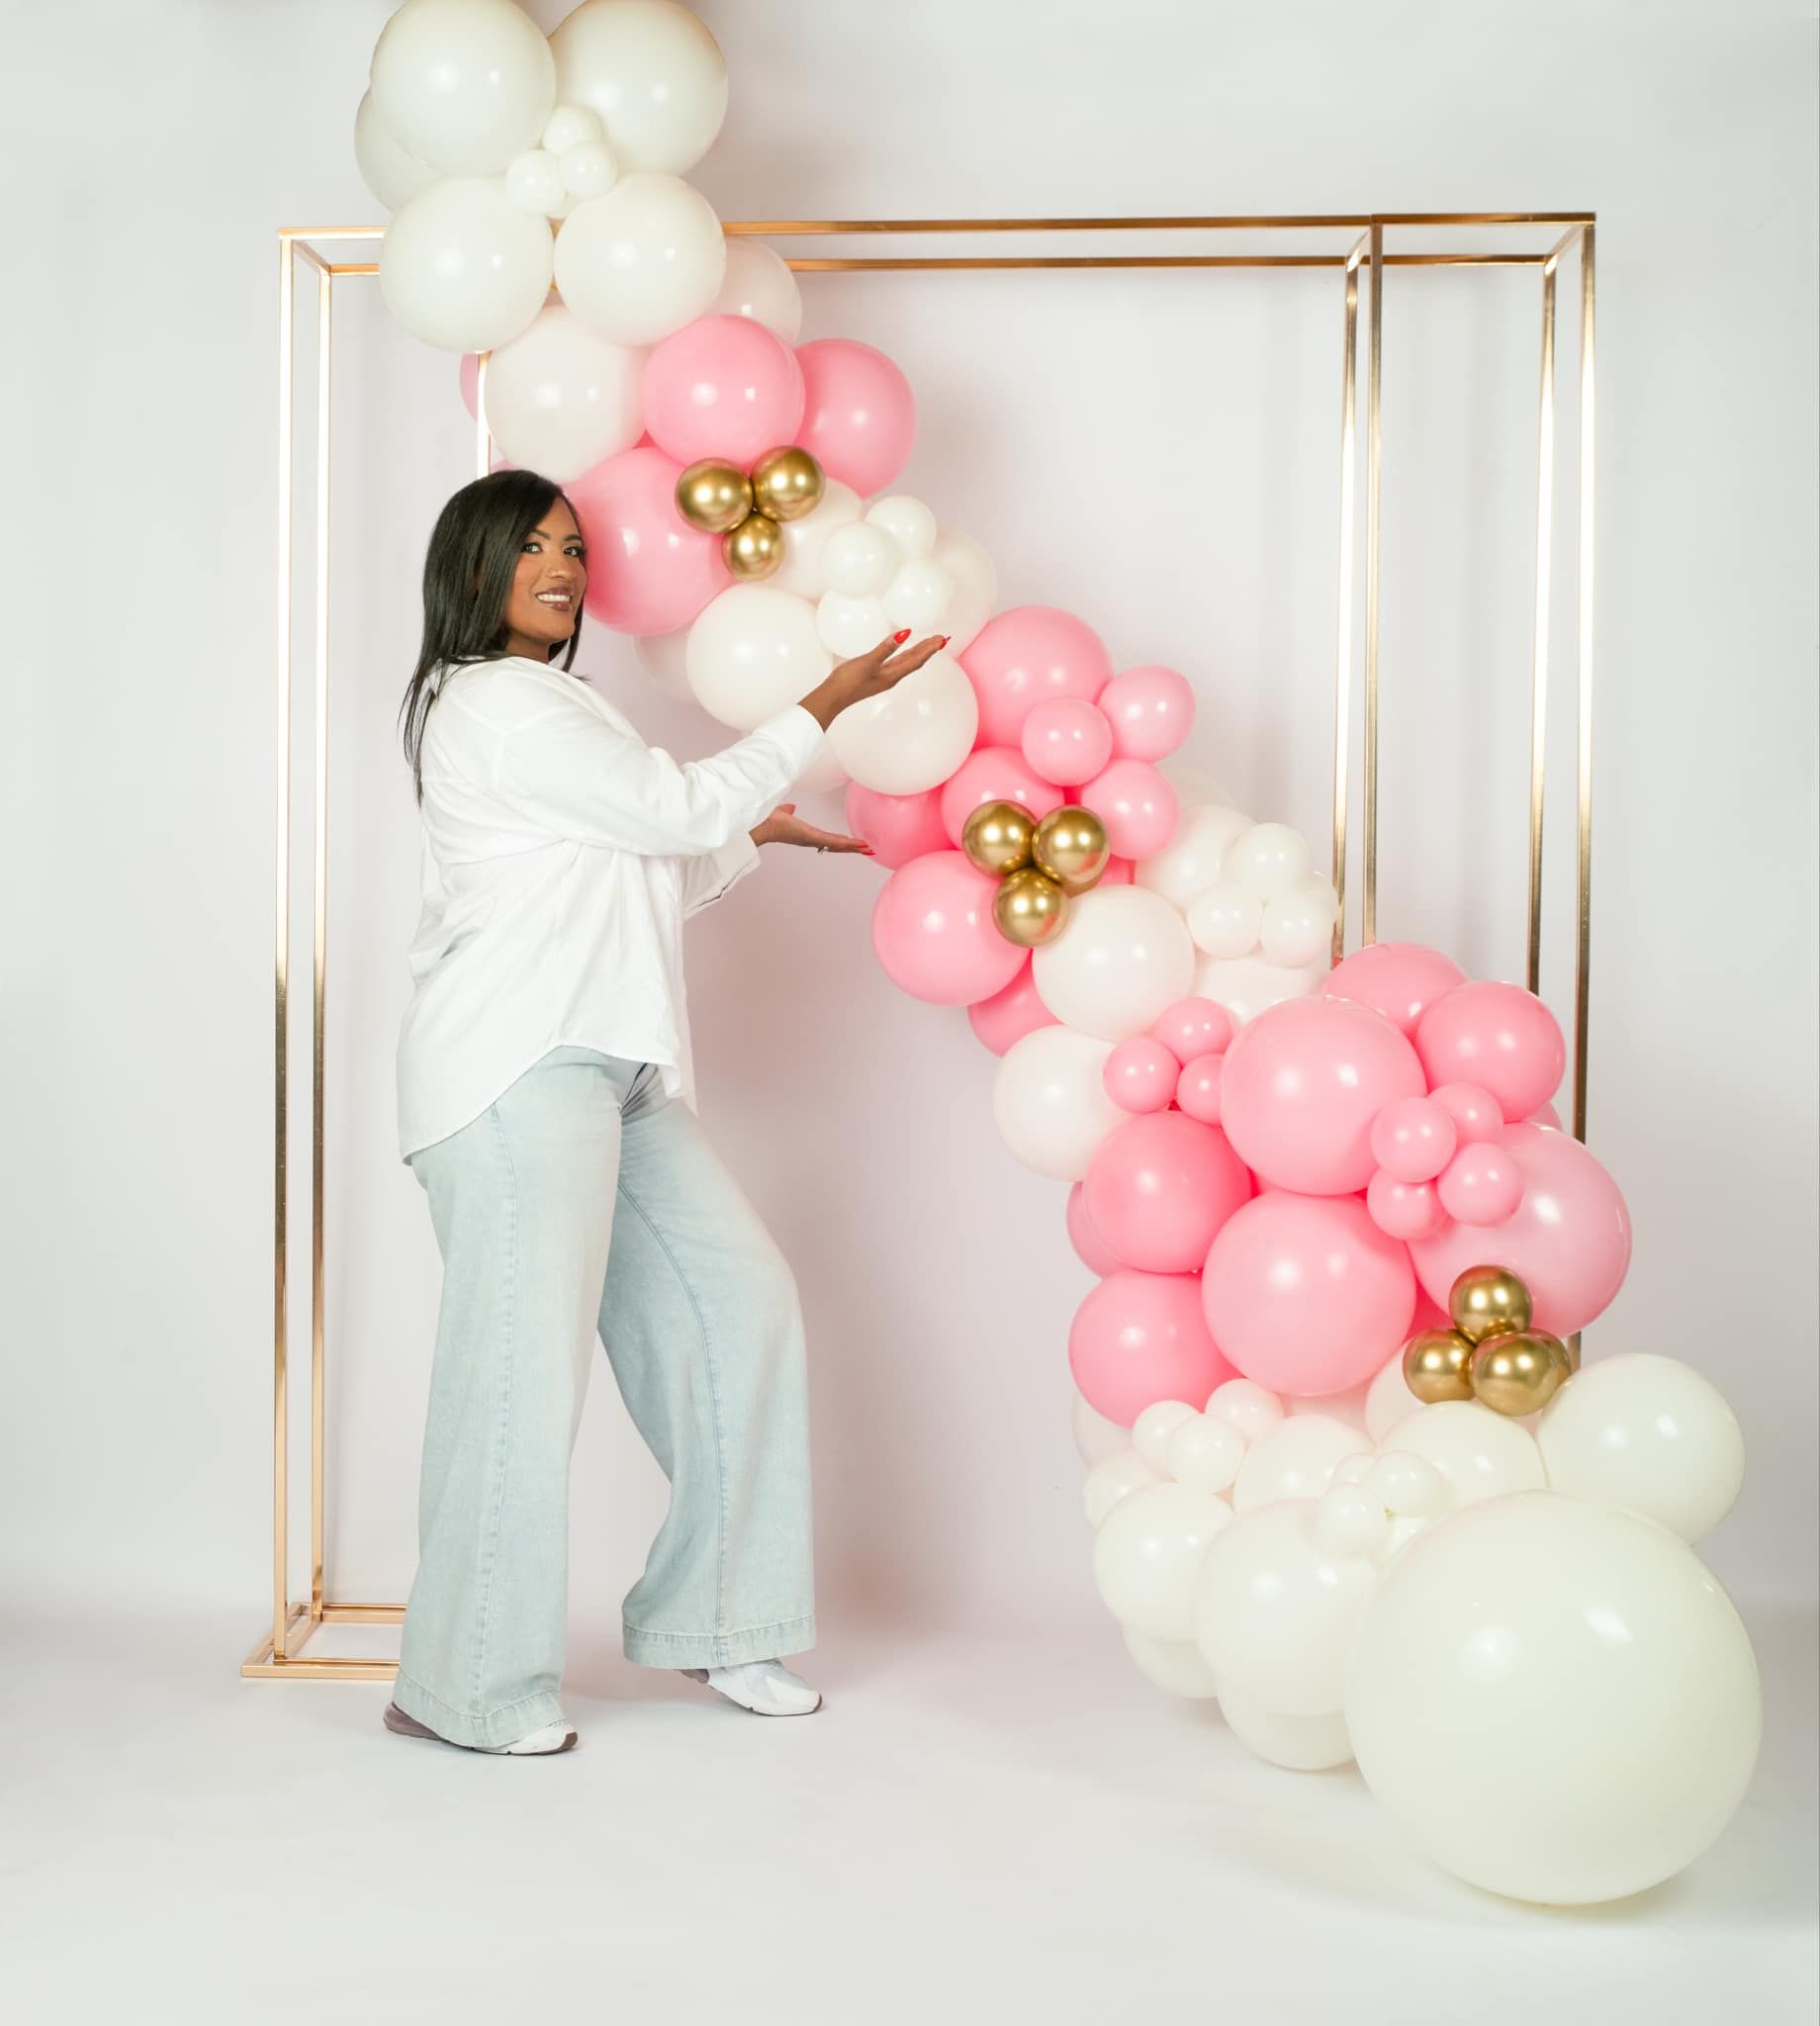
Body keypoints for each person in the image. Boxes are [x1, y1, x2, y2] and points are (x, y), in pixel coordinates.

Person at [382, 469, 946, 1756]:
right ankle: (463, 1687)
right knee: (517, 1379)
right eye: (530, 545)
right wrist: (821, 706)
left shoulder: (553, 707)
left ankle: (721, 1620)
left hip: (614, 1072)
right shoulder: (495, 702)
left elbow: (632, 874)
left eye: (574, 547)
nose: (561, 566)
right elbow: (669, 809)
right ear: (473, 568)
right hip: (519, 1073)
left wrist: (753, 839)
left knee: (736, 1307)